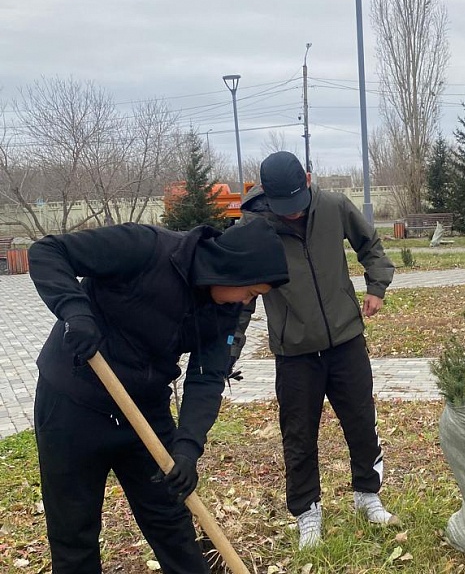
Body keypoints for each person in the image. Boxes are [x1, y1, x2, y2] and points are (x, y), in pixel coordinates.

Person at [28, 218, 289, 574]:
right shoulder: (145, 247)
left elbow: (207, 375)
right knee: (74, 532)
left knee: (172, 522)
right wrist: (75, 311)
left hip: (144, 412)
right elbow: (47, 250)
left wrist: (187, 447)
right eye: (251, 292)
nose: (248, 302)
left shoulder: (228, 308)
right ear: (229, 270)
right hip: (73, 404)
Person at [232, 151, 398, 549]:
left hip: (346, 340)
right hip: (294, 352)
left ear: (307, 180)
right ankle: (307, 511)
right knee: (299, 436)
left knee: (361, 420)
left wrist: (376, 286)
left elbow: (370, 244)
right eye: (282, 208)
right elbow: (239, 294)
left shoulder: (333, 206)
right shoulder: (253, 227)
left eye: (297, 204)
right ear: (267, 196)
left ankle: (367, 494)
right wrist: (228, 351)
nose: (292, 215)